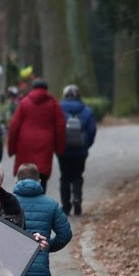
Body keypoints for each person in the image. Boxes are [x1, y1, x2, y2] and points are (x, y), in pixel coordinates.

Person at [7, 78, 66, 190]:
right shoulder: (53, 104)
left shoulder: (24, 102)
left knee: (24, 174)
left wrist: (11, 149)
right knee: (41, 174)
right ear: (46, 89)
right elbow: (60, 127)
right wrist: (60, 149)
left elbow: (14, 126)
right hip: (45, 144)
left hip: (25, 143)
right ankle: (40, 202)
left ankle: (22, 203)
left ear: (33, 88)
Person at [58, 84, 97, 216]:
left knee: (65, 177)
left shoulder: (59, 109)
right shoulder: (87, 111)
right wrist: (86, 145)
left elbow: (55, 129)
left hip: (63, 150)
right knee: (77, 175)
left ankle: (66, 205)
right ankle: (77, 198)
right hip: (80, 150)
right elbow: (92, 132)